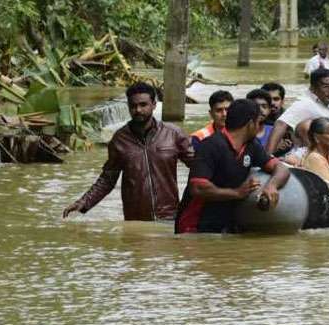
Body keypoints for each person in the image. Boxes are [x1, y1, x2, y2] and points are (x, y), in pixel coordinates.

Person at [63, 82, 194, 221]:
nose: (138, 110)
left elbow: (199, 167)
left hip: (169, 217)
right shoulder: (119, 140)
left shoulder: (173, 134)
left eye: (143, 105)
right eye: (133, 106)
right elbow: (107, 179)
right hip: (136, 220)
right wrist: (84, 202)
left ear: (154, 104)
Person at [175, 99, 289, 234]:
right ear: (250, 124)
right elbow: (198, 188)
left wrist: (272, 186)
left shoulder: (252, 145)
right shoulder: (210, 146)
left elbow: (281, 168)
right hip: (195, 226)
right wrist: (237, 193)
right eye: (259, 122)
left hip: (226, 225)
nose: (259, 127)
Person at [260, 82, 293, 155]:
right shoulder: (255, 119)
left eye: (276, 99)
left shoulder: (290, 119)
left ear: (282, 101)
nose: (272, 103)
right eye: (269, 99)